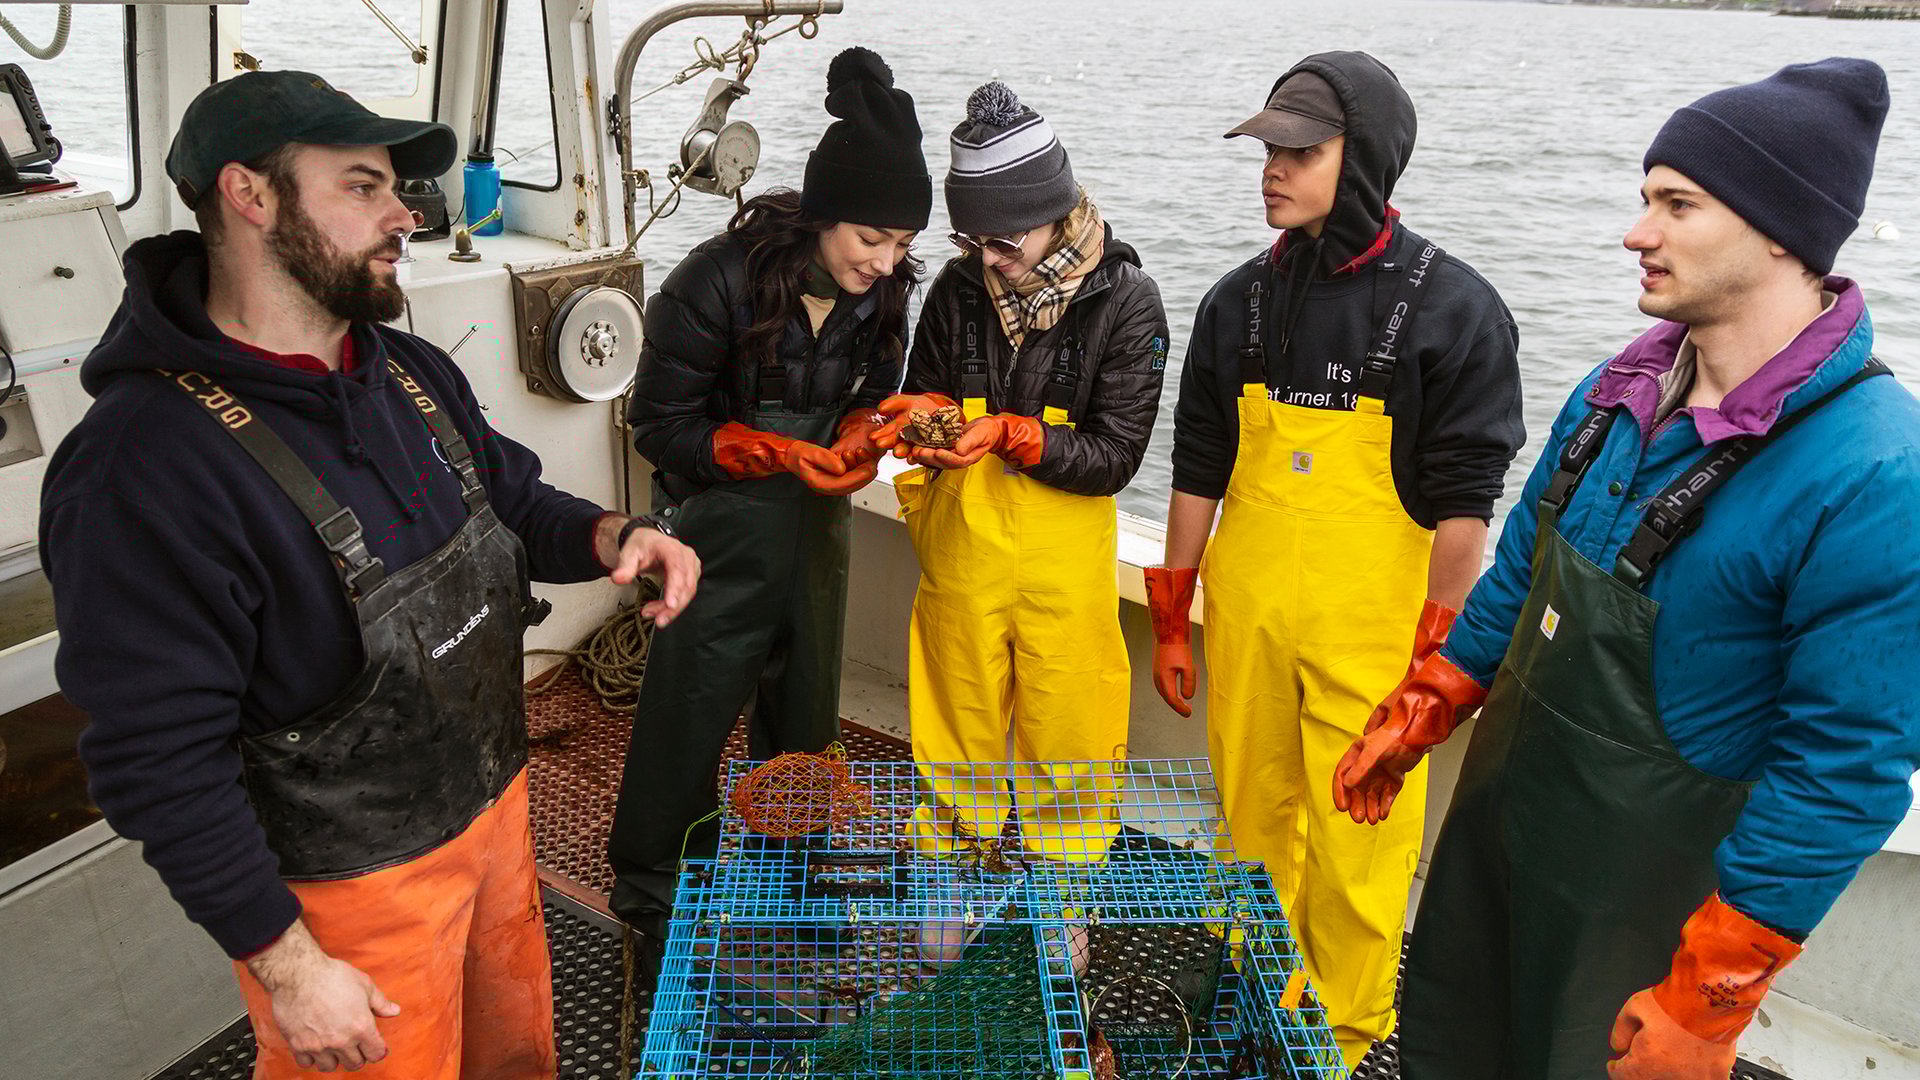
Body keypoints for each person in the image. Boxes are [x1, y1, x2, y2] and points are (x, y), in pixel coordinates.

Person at [38, 71, 699, 1078]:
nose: (404, 216)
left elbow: (510, 500)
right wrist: (290, 969)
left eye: (397, 188)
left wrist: (613, 538)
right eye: (361, 186)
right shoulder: (143, 465)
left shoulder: (403, 369)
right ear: (248, 196)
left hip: (493, 816)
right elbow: (158, 761)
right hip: (347, 899)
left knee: (516, 1058)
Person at [1334, 58, 1918, 1080]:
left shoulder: (1876, 470)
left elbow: (1843, 768)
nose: (1636, 231)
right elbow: (1522, 569)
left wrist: (1707, 1003)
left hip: (1645, 916)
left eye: (1676, 204)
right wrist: (1428, 703)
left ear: (1783, 229)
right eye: (1645, 198)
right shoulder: (1623, 384)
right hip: (1499, 847)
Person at [1144, 52, 1524, 1068]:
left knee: (1360, 853)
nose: (1274, 169)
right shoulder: (1238, 303)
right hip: (1254, 620)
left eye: (1301, 151)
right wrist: (1175, 616)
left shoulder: (1456, 310)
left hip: (1377, 640)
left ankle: (1340, 1044)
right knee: (1249, 824)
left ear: (1366, 160)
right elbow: (1198, 466)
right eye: (1269, 149)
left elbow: (1464, 507)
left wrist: (1433, 672)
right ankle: (1246, 1001)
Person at [606, 47, 928, 954]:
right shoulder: (714, 278)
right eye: (872, 238)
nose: (886, 260)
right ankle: (654, 897)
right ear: (825, 215)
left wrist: (863, 432)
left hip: (818, 533)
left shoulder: (886, 295)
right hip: (716, 531)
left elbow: (876, 388)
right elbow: (658, 425)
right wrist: (772, 449)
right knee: (688, 711)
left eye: (902, 244)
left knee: (805, 717)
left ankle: (795, 880)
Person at [872, 82, 1169, 867]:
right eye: (973, 243)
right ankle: (943, 891)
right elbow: (929, 387)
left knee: (1070, 742)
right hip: (961, 552)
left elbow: (1115, 458)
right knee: (951, 736)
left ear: (1054, 208)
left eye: (1004, 241)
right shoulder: (958, 288)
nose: (988, 260)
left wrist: (1012, 434)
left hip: (1063, 569)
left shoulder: (1128, 302)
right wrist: (923, 424)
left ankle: (1063, 904)